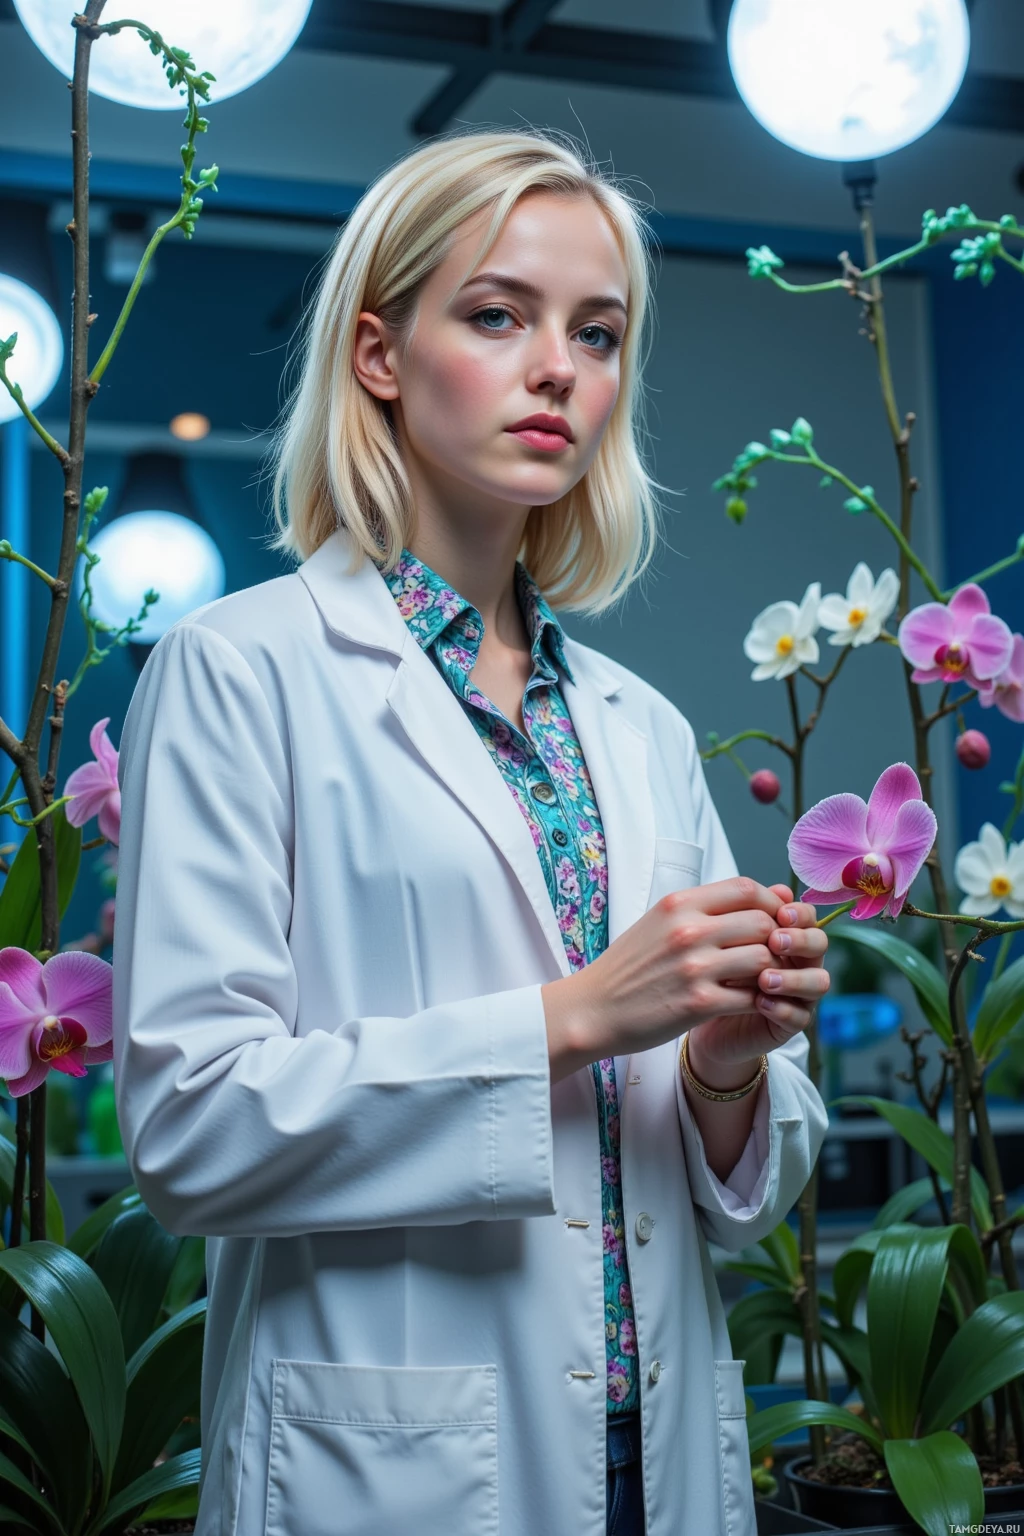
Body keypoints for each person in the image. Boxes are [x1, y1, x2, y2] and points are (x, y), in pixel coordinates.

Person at [112, 128, 830, 1536]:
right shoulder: (240, 671)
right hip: (396, 1466)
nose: (559, 367)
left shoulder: (641, 725)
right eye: (498, 315)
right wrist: (569, 1018)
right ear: (380, 354)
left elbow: (729, 1194)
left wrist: (726, 1071)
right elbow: (190, 1131)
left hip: (659, 1455)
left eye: (599, 331)